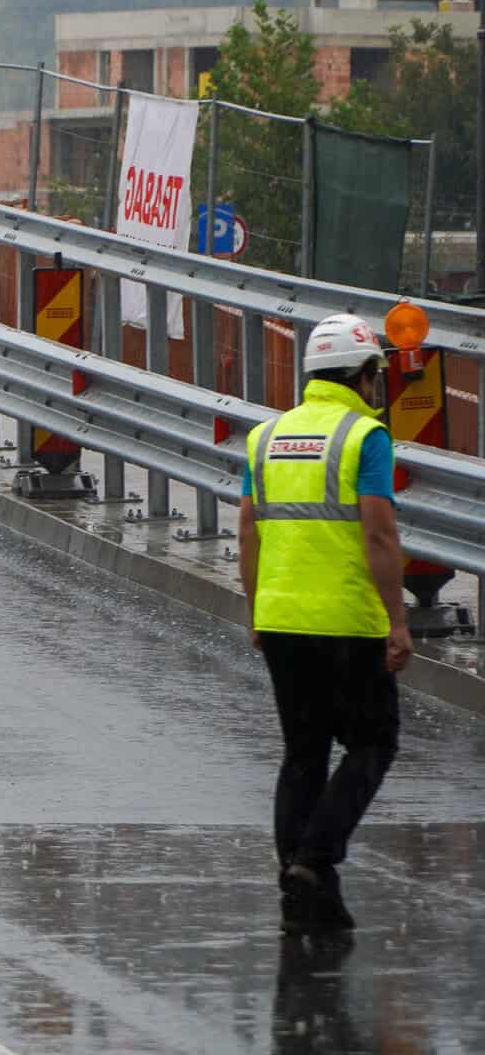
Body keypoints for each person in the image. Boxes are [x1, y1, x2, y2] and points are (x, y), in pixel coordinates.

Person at [238, 312, 411, 934]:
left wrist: (256, 609)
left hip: (281, 619)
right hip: (346, 622)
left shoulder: (266, 437)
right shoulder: (365, 437)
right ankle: (316, 856)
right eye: (375, 377)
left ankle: (302, 885)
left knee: (303, 753)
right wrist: (397, 620)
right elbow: (380, 533)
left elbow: (248, 532)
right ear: (365, 375)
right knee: (372, 743)